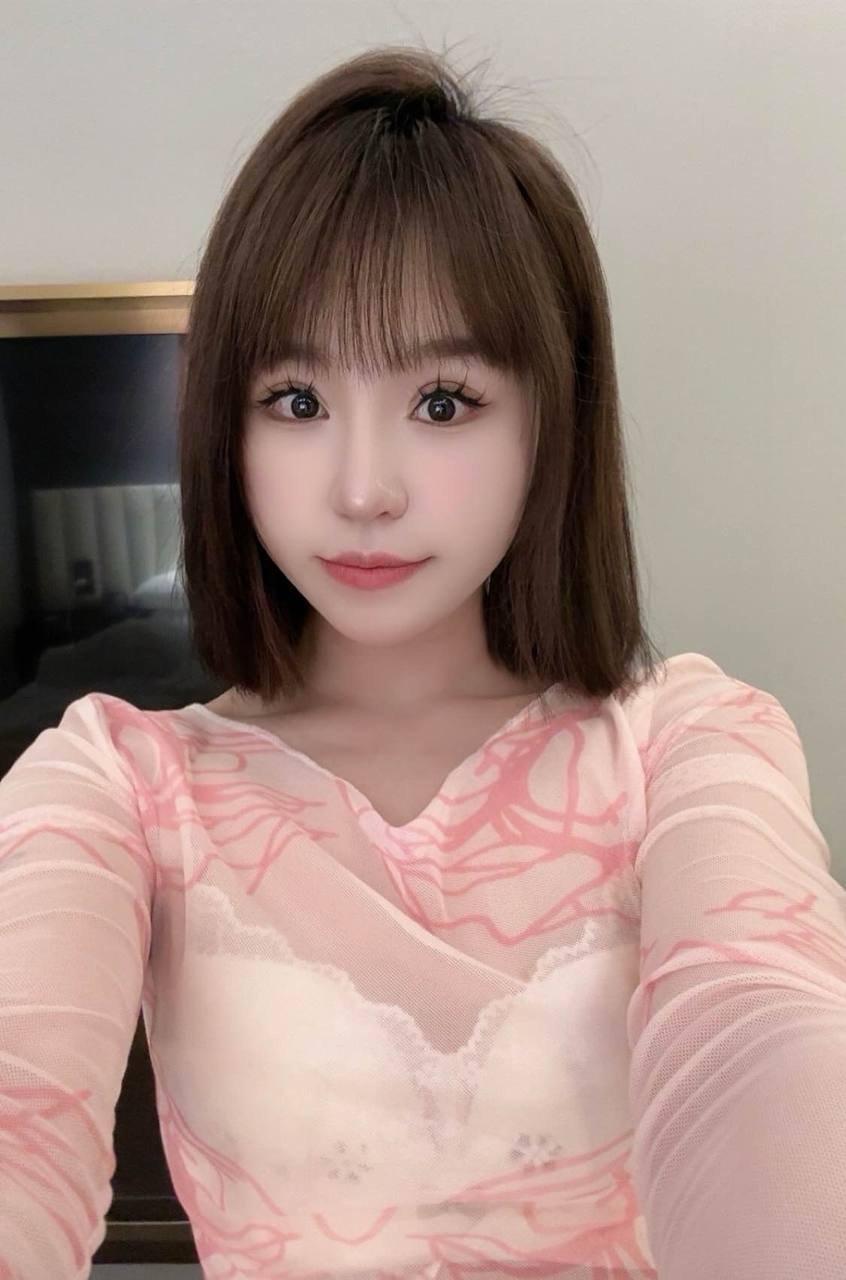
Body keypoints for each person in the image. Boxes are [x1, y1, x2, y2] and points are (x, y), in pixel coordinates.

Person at [1, 42, 845, 1280]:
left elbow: (763, 1039)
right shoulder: (119, 782)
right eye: (296, 400)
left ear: (552, 414)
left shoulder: (686, 744)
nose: (363, 489)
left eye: (443, 400)